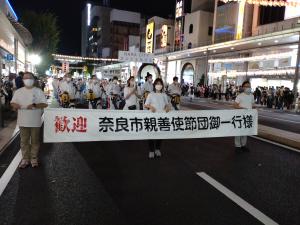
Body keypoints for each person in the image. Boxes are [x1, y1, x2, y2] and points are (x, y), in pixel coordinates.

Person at [10, 72, 48, 168]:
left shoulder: (38, 91)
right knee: (24, 140)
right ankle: (25, 159)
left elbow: (45, 104)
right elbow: (13, 103)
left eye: (29, 78)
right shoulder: (19, 92)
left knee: (35, 140)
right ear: (23, 80)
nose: (27, 80)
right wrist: (15, 106)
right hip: (23, 120)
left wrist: (35, 105)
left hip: (35, 120)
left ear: (33, 79)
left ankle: (34, 158)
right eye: (25, 78)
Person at [144, 78, 171, 159]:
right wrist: (151, 107)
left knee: (160, 134)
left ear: (162, 85)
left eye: (160, 84)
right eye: (157, 83)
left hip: (161, 117)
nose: (158, 85)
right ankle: (151, 151)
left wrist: (167, 108)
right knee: (151, 134)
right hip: (152, 117)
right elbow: (146, 104)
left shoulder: (164, 95)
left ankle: (157, 149)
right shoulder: (151, 94)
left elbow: (166, 104)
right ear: (154, 85)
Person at [233, 80, 255, 153]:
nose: (248, 88)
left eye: (249, 86)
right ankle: (238, 146)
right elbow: (235, 105)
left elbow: (252, 105)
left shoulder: (252, 96)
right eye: (247, 86)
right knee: (238, 132)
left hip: (248, 116)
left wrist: (254, 111)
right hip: (240, 116)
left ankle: (243, 145)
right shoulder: (240, 96)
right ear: (243, 87)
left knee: (245, 132)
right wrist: (241, 108)